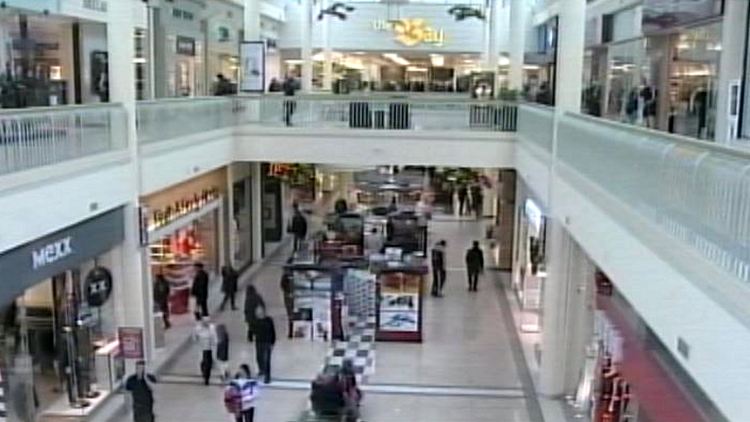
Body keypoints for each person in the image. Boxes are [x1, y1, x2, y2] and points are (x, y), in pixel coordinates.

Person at [192, 317, 217, 385]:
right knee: (203, 362)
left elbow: (214, 337)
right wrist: (196, 341)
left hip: (209, 348)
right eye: (205, 322)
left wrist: (214, 344)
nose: (206, 323)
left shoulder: (211, 328)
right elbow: (194, 337)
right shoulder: (198, 328)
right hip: (201, 347)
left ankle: (207, 377)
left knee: (208, 363)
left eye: (207, 322)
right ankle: (204, 373)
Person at [254, 306, 276, 384]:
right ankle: (261, 370)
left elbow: (273, 331)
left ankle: (268, 377)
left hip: (267, 342)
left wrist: (273, 342)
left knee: (267, 360)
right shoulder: (256, 321)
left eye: (259, 312)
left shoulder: (269, 320)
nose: (258, 314)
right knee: (259, 357)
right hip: (259, 342)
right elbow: (253, 331)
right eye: (257, 313)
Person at [280, 266, 295, 339]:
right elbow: (282, 285)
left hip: (289, 297)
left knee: (290, 314)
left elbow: (282, 285)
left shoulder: (286, 276)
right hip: (290, 297)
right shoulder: (288, 277)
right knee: (290, 314)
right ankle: (291, 331)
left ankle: (291, 331)